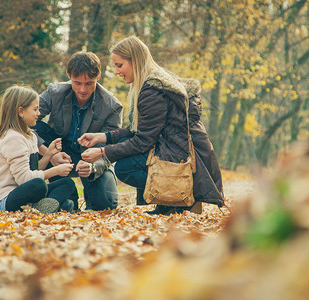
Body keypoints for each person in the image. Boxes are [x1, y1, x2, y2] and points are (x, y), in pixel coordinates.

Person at [78, 36, 224, 215]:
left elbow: (142, 141)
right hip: (174, 149)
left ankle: (178, 199)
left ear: (135, 61)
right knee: (124, 144)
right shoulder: (152, 83)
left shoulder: (152, 91)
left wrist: (102, 152)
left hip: (178, 155)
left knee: (125, 167)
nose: (116, 72)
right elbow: (137, 130)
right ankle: (170, 202)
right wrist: (102, 137)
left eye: (119, 65)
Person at [33, 51, 123, 211]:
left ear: (98, 77)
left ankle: (83, 196)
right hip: (58, 152)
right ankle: (67, 200)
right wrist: (49, 154)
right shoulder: (54, 93)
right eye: (77, 83)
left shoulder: (112, 106)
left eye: (89, 83)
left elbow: (111, 149)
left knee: (105, 205)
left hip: (91, 158)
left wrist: (93, 167)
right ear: (69, 76)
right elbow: (23, 121)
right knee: (34, 126)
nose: (83, 89)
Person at [0, 85, 76, 213]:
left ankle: (43, 208)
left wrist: (49, 154)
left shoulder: (31, 136)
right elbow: (25, 179)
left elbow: (33, 170)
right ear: (21, 112)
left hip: (24, 193)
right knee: (39, 185)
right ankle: (48, 207)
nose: (39, 113)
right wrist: (55, 170)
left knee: (67, 183)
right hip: (4, 200)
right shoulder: (13, 138)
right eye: (35, 109)